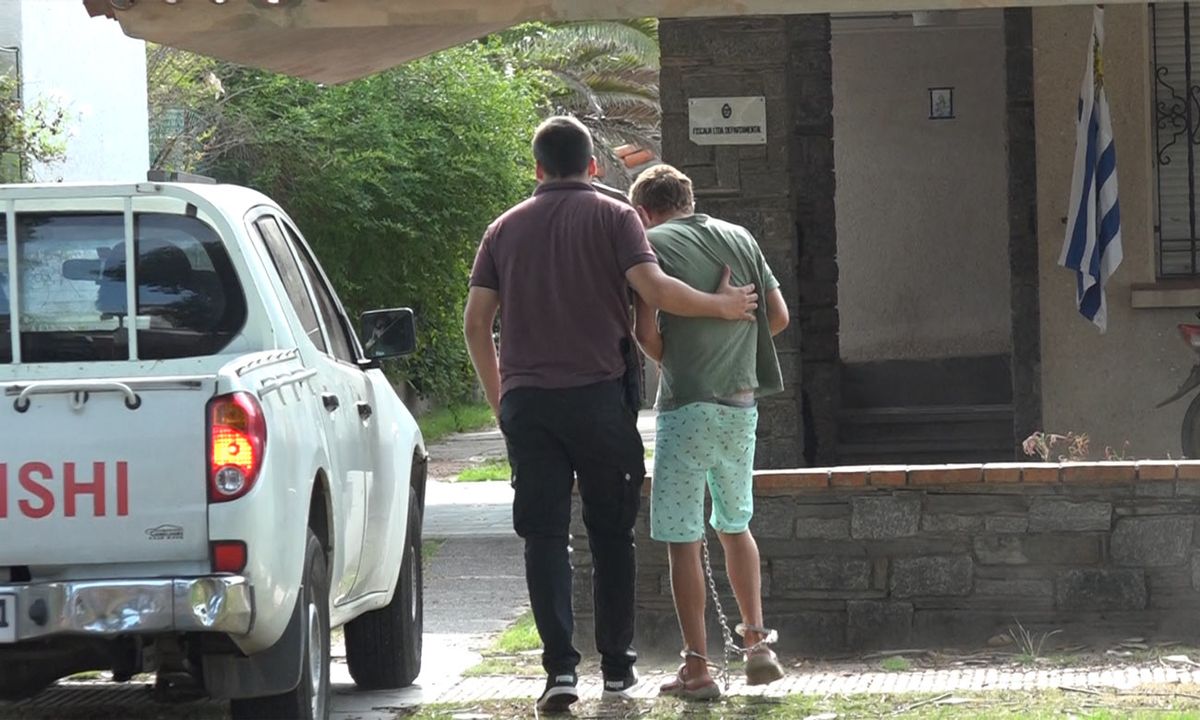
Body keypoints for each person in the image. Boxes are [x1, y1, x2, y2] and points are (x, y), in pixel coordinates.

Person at [462, 116, 759, 713]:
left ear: (538, 167)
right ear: (593, 166)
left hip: (531, 406)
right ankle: (618, 672)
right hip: (600, 399)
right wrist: (722, 307)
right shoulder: (616, 216)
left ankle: (559, 674)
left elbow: (476, 325)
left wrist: (503, 405)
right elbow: (656, 290)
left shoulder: (503, 229)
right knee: (610, 536)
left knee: (544, 538)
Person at [628, 164, 790, 700]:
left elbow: (645, 330)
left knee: (682, 537)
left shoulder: (648, 243)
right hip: (741, 404)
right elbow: (779, 316)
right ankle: (757, 643)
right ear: (688, 199)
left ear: (644, 210)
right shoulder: (740, 237)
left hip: (685, 406)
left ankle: (697, 669)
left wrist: (671, 358)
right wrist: (735, 345)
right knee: (735, 522)